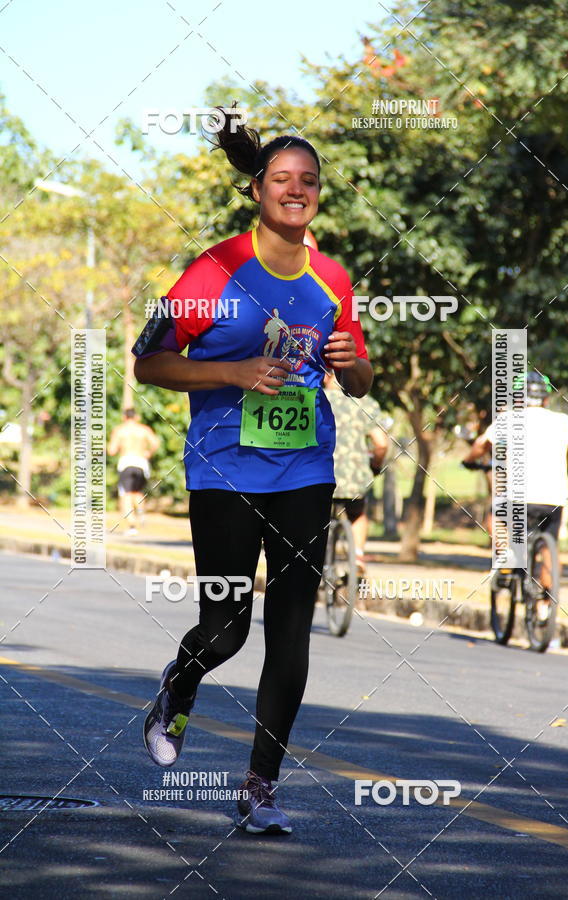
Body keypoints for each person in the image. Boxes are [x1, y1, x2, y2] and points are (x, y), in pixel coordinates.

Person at [133, 111, 373, 834]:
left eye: (308, 182)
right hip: (223, 470)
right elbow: (148, 362)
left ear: (317, 196)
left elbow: (359, 378)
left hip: (305, 470)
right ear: (259, 191)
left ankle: (260, 787)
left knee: (291, 629)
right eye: (281, 180)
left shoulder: (332, 276)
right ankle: (178, 687)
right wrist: (230, 369)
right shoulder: (214, 269)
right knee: (227, 628)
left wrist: (350, 363)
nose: (295, 191)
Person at [463, 371, 568, 616]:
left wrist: (469, 460)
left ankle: (508, 555)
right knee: (549, 547)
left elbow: (481, 446)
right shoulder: (562, 422)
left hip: (517, 497)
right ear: (546, 399)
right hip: (554, 498)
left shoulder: (509, 419)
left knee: (495, 518)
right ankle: (544, 604)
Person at [324, 371, 388, 574]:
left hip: (320, 475)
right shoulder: (366, 403)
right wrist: (376, 466)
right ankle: (358, 555)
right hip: (354, 478)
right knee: (357, 514)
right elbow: (381, 444)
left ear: (326, 376)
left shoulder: (315, 397)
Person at [107, 408, 160, 535]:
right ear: (136, 417)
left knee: (126, 495)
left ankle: (132, 526)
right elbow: (155, 443)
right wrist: (148, 453)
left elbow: (111, 450)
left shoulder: (120, 430)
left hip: (126, 462)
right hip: (141, 463)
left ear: (124, 417)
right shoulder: (144, 430)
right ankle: (141, 514)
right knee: (137, 492)